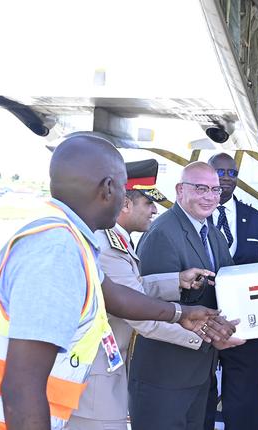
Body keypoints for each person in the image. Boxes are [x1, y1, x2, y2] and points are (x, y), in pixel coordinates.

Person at [0, 133, 232, 430]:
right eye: (122, 188)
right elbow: (22, 386)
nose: (124, 199)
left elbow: (115, 295)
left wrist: (181, 314)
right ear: (108, 189)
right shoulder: (56, 251)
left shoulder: (70, 238)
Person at [67, 159, 220, 430]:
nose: (154, 210)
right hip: (97, 373)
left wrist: (176, 282)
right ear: (125, 203)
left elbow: (129, 288)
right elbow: (138, 313)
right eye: (148, 203)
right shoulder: (109, 247)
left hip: (108, 367)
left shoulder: (118, 242)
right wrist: (204, 335)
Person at [128, 161, 240, 430]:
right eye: (200, 188)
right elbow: (150, 306)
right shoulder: (163, 233)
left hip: (199, 369)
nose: (210, 196)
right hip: (165, 373)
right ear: (180, 190)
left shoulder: (212, 233)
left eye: (214, 190)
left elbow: (227, 290)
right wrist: (210, 334)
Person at [204, 153, 258, 430]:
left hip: (245, 324)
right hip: (201, 322)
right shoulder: (192, 217)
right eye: (219, 172)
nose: (225, 178)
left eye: (231, 173)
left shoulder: (255, 218)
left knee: (245, 397)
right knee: (201, 394)